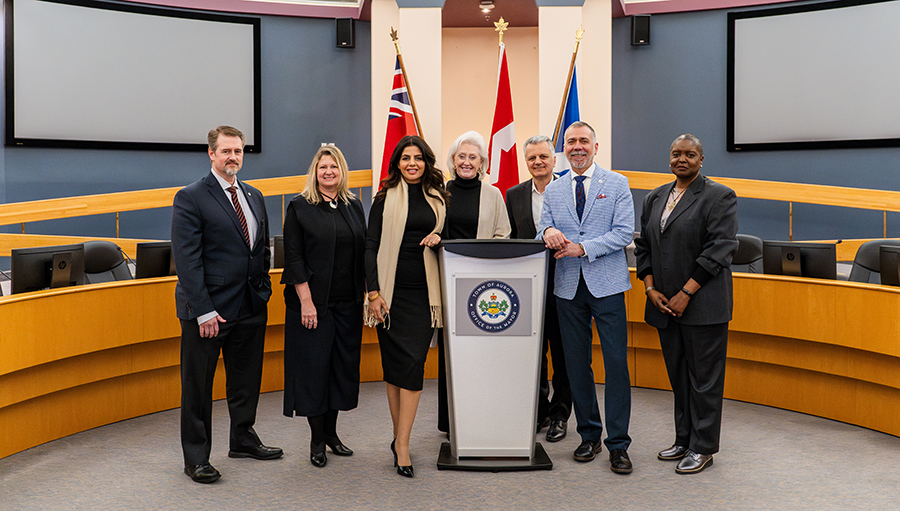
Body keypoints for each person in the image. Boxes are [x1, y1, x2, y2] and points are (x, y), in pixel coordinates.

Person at [172, 126, 282, 484]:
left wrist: (262, 291)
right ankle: (196, 458)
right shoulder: (190, 197)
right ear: (212, 154)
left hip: (249, 306)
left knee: (246, 380)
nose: (233, 157)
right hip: (208, 312)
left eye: (238, 151)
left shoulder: (253, 194)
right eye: (226, 151)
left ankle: (243, 438)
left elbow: (260, 247)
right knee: (199, 387)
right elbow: (187, 261)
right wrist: (203, 310)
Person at [633, 133, 738, 474]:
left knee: (704, 381)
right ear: (669, 158)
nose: (682, 159)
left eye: (690, 155)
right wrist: (650, 288)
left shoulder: (719, 196)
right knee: (679, 378)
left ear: (701, 160)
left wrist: (686, 293)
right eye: (676, 153)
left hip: (702, 305)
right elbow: (644, 247)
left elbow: (719, 250)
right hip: (663, 304)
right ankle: (684, 439)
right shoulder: (655, 197)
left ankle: (703, 447)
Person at [537, 121, 634, 474]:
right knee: (576, 366)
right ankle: (589, 435)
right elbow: (541, 228)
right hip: (567, 288)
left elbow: (623, 233)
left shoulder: (617, 183)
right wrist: (548, 232)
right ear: (565, 148)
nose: (577, 147)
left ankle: (619, 444)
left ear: (595, 146)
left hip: (607, 287)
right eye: (570, 142)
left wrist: (583, 248)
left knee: (616, 366)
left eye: (583, 141)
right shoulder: (555, 189)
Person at [365, 135, 448, 478]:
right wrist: (373, 294)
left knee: (413, 364)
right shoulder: (383, 199)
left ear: (426, 162)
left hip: (424, 295)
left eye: (418, 158)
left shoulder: (439, 200)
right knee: (395, 368)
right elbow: (370, 248)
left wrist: (440, 238)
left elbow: (452, 237)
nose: (412, 163)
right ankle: (400, 441)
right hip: (389, 295)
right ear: (396, 163)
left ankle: (402, 442)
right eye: (405, 158)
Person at [281, 145, 366, 468]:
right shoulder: (300, 207)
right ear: (314, 173)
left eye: (334, 167)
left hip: (348, 306)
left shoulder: (353, 206)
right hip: (313, 307)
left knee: (340, 372)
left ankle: (332, 434)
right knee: (315, 373)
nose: (328, 172)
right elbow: (294, 257)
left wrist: (369, 294)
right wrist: (307, 302)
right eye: (322, 167)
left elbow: (363, 253)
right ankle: (317, 439)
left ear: (342, 171)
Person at [436, 130, 511, 434]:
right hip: (447, 283)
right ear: (452, 161)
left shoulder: (493, 194)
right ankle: (450, 420)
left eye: (473, 157)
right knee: (451, 351)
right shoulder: (439, 192)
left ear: (482, 162)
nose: (467, 162)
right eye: (461, 156)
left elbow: (503, 235)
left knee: (481, 352)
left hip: (483, 286)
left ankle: (480, 413)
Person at [505, 135, 572, 443]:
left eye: (543, 156)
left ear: (554, 159)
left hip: (567, 283)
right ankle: (539, 411)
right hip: (528, 286)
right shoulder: (514, 194)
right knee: (533, 352)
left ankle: (560, 415)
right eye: (532, 158)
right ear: (526, 162)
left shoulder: (570, 188)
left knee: (563, 353)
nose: (538, 162)